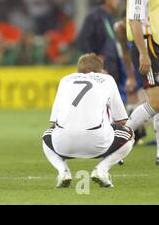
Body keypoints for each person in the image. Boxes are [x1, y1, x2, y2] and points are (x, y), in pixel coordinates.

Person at [42, 53, 134, 188]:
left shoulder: (65, 80)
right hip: (97, 144)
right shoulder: (107, 79)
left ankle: (63, 172)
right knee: (129, 134)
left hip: (64, 144)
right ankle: (102, 170)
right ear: (100, 70)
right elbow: (121, 120)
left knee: (47, 134)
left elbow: (53, 122)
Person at [125, 0, 159, 164]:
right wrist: (143, 53)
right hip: (148, 46)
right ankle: (118, 137)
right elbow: (134, 20)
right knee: (156, 102)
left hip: (156, 43)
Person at [77, 0, 136, 103]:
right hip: (102, 64)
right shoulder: (93, 16)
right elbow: (83, 39)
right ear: (107, 0)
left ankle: (115, 120)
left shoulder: (111, 17)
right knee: (102, 96)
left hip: (114, 62)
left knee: (114, 96)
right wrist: (93, 57)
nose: (117, 1)